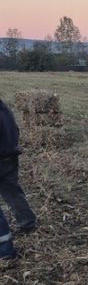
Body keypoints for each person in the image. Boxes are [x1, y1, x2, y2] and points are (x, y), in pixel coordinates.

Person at [0, 96, 39, 263]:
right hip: (10, 155)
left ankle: (4, 250)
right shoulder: (4, 107)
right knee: (13, 192)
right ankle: (28, 223)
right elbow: (15, 130)